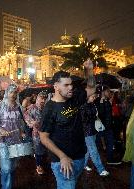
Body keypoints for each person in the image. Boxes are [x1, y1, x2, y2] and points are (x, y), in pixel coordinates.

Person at [39, 59, 96, 189]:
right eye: (66, 85)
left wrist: (90, 71)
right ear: (56, 86)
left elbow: (91, 89)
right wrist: (62, 156)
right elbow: (43, 137)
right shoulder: (50, 108)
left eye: (71, 84)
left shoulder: (74, 98)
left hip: (79, 158)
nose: (70, 87)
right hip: (63, 163)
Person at [0, 84, 26, 189]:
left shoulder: (19, 108)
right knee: (6, 168)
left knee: (13, 167)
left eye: (15, 93)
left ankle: (9, 185)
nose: (13, 95)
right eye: (11, 92)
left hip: (17, 142)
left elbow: (23, 121)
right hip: (3, 142)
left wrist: (25, 130)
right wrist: (0, 130)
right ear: (7, 93)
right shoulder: (0, 106)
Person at [80, 93, 109, 176]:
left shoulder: (92, 104)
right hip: (87, 132)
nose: (94, 98)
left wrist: (102, 102)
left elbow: (99, 113)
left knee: (88, 150)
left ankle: (83, 165)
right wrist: (93, 117)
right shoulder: (83, 106)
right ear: (88, 97)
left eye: (95, 96)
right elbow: (83, 120)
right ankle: (101, 169)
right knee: (93, 150)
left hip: (93, 130)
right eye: (93, 96)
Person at [95, 85, 122, 165]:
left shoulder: (106, 100)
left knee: (109, 142)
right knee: (97, 144)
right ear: (103, 92)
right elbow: (100, 113)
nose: (109, 93)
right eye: (107, 91)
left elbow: (109, 113)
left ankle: (109, 159)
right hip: (102, 126)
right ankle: (96, 162)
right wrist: (102, 102)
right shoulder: (98, 100)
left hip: (108, 126)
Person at [24, 91, 48, 175]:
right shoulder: (32, 108)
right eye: (41, 98)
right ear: (37, 98)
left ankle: (43, 162)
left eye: (44, 99)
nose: (43, 100)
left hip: (47, 133)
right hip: (37, 135)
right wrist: (32, 122)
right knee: (38, 150)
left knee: (46, 150)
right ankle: (38, 166)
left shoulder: (47, 108)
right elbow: (25, 116)